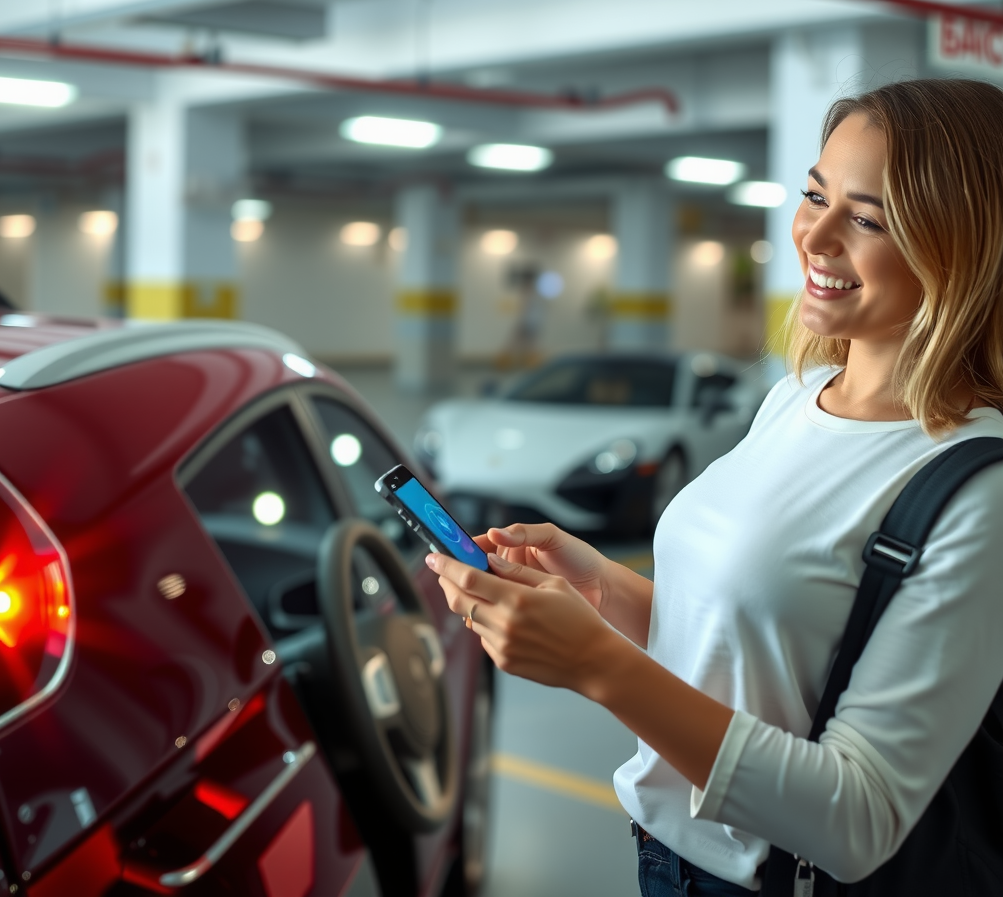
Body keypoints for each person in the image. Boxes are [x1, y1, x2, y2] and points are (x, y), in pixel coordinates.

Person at [425, 79, 1003, 895]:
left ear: (962, 248)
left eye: (866, 218)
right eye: (813, 194)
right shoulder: (796, 400)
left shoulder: (980, 488)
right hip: (669, 857)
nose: (815, 234)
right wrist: (600, 591)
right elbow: (761, 652)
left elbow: (860, 818)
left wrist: (594, 666)